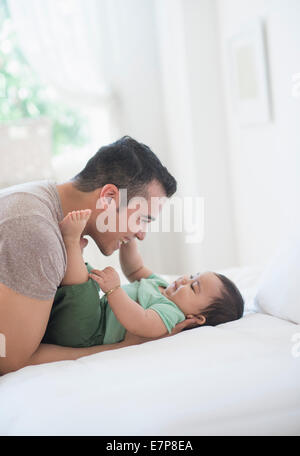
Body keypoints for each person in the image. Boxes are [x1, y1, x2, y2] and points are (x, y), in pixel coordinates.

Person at [0, 136, 194, 375]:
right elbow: (8, 358)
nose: (142, 235)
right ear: (110, 197)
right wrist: (123, 347)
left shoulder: (40, 197)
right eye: (142, 219)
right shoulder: (37, 234)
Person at [42, 209, 244, 348]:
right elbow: (135, 268)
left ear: (196, 318)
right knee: (85, 276)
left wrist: (114, 291)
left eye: (193, 287)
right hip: (92, 314)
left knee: (85, 286)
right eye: (192, 276)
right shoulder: (162, 286)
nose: (184, 280)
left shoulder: (171, 314)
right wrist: (128, 239)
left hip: (88, 332)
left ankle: (70, 242)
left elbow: (139, 321)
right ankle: (69, 253)